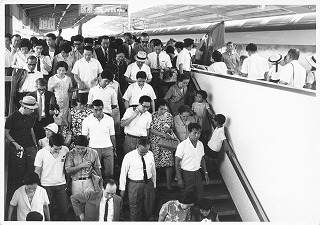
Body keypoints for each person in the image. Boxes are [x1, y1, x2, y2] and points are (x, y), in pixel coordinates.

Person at [5, 96, 39, 203]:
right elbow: (6, 132)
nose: (33, 110)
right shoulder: (12, 117)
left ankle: (29, 199)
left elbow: (31, 130)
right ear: (23, 106)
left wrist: (35, 145)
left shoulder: (32, 116)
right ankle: (14, 201)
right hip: (17, 148)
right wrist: (15, 144)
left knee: (31, 172)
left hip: (29, 147)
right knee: (17, 174)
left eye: (34, 108)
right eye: (31, 108)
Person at [119, 138, 156, 221]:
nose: (144, 154)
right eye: (142, 152)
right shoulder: (128, 156)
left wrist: (154, 185)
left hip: (148, 183)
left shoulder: (150, 154)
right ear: (137, 147)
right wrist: (122, 189)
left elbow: (153, 171)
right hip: (135, 185)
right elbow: (123, 173)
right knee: (135, 209)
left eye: (146, 151)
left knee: (148, 208)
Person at [34, 133, 69, 221]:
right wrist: (36, 186)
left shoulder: (65, 150)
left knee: (64, 210)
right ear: (50, 145)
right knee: (48, 211)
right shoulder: (41, 153)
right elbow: (37, 170)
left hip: (61, 184)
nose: (59, 150)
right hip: (46, 185)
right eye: (56, 148)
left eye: (60, 148)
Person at [82, 99, 117, 179]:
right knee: (95, 172)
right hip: (93, 148)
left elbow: (112, 135)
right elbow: (84, 137)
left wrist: (114, 148)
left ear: (103, 108)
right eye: (96, 110)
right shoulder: (87, 120)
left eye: (100, 109)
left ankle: (108, 189)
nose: (98, 112)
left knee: (110, 172)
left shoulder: (109, 119)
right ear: (92, 109)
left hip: (108, 148)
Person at [175, 123, 210, 202]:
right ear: (189, 133)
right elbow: (177, 162)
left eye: (199, 133)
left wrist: (206, 173)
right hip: (186, 174)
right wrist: (179, 178)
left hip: (198, 173)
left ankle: (197, 213)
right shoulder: (182, 145)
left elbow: (202, 159)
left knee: (200, 195)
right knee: (187, 196)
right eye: (195, 133)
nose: (197, 135)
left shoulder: (200, 144)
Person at [149, 99, 175, 190]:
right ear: (157, 108)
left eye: (165, 109)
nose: (163, 111)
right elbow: (151, 129)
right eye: (161, 109)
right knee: (155, 161)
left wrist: (168, 131)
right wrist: (162, 134)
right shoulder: (152, 116)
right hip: (155, 141)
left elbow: (172, 128)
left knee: (169, 161)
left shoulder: (169, 116)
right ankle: (154, 184)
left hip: (167, 142)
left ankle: (168, 184)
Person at [48, 61, 73, 137]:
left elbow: (70, 90)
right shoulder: (52, 79)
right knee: (56, 121)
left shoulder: (68, 79)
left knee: (64, 122)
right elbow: (49, 92)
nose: (61, 72)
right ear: (56, 70)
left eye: (63, 70)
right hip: (55, 102)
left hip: (65, 103)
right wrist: (53, 86)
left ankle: (64, 138)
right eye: (59, 70)